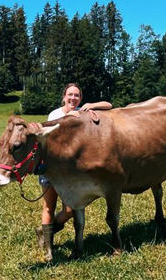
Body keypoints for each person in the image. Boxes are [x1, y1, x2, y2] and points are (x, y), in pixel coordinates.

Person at [36, 83, 112, 253]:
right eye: (70, 94)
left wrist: (92, 106)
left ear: (80, 98)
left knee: (71, 209)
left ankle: (45, 230)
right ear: (63, 97)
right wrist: (67, 118)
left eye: (76, 95)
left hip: (70, 171)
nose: (73, 98)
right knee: (49, 206)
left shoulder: (82, 113)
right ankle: (49, 247)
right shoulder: (54, 114)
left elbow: (109, 105)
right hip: (51, 168)